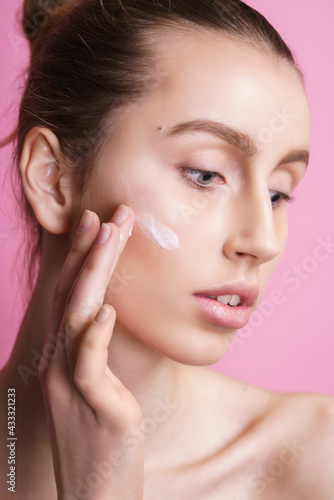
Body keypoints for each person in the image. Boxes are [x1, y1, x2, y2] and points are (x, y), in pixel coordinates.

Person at [0, 0, 333, 498]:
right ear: (52, 179)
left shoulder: (312, 461)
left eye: (277, 193)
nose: (262, 242)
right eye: (204, 174)